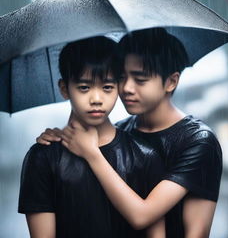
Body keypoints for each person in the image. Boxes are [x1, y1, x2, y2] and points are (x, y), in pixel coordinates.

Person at [37, 28, 223, 238]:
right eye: (121, 77)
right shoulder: (121, 131)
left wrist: (92, 154)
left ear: (171, 82)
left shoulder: (197, 140)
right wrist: (59, 137)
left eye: (140, 79)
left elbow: (148, 217)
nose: (126, 88)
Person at [18, 36, 166, 238]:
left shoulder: (145, 155)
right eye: (84, 87)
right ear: (64, 89)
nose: (96, 99)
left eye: (107, 87)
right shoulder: (43, 157)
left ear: (118, 87)